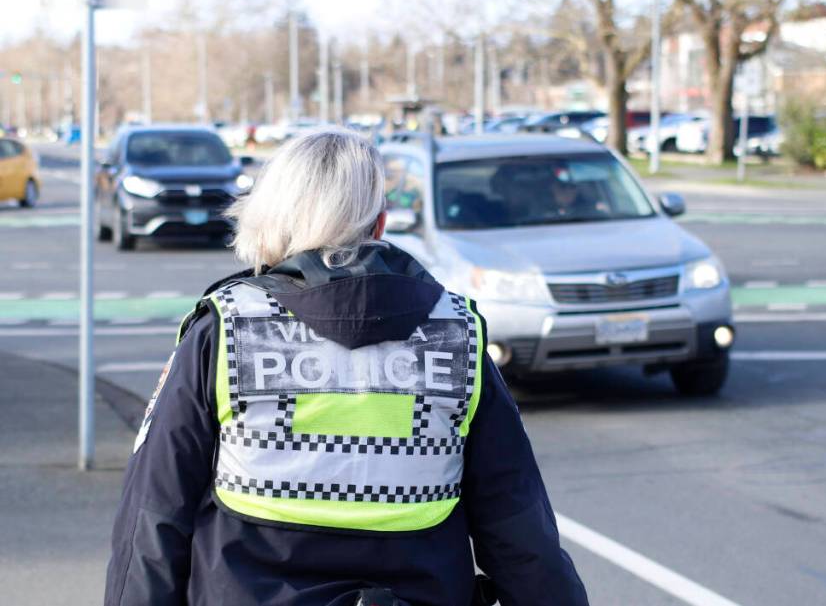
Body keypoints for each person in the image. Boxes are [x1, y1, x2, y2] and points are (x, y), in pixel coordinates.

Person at [104, 129, 589, 606]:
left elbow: (154, 515)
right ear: (379, 224)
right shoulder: (455, 333)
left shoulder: (227, 329)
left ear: (269, 218)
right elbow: (518, 524)